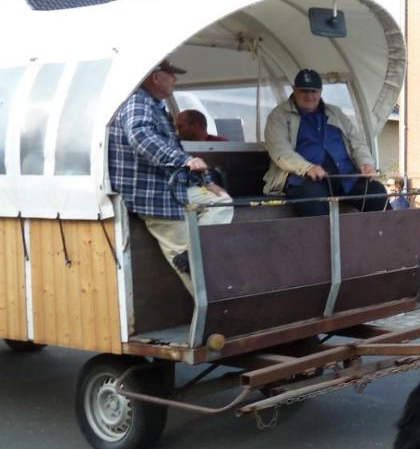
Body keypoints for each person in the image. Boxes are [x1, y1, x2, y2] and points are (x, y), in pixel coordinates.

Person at [107, 59, 233, 295]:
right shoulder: (137, 102)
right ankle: (214, 316)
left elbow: (172, 156)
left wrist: (206, 182)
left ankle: (190, 253)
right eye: (171, 74)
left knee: (222, 200)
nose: (175, 79)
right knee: (197, 270)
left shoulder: (154, 106)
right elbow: (141, 137)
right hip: (154, 195)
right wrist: (184, 160)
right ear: (156, 77)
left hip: (171, 189)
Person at [263, 69, 388, 216]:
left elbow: (357, 143)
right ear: (294, 89)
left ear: (320, 91)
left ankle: (382, 237)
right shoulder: (278, 117)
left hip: (345, 176)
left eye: (313, 91)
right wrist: (307, 168)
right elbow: (280, 151)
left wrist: (366, 163)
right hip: (305, 179)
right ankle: (324, 239)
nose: (309, 95)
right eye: (304, 90)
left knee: (376, 192)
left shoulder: (336, 113)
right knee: (312, 198)